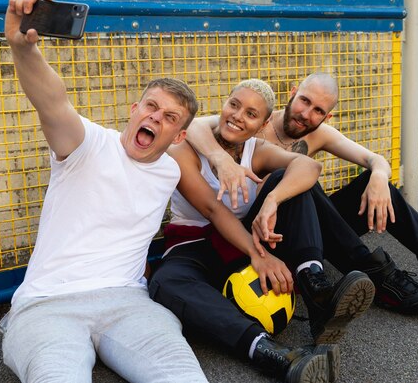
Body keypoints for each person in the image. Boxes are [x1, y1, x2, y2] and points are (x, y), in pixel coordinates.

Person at [0, 0, 208, 383]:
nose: (155, 118)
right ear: (134, 111)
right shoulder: (87, 144)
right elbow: (53, 103)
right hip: (48, 305)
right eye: (150, 106)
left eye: (169, 117)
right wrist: (23, 49)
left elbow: (223, 134)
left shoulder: (170, 171)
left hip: (128, 303)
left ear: (179, 138)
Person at [186, 72, 418, 316]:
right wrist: (218, 158)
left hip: (311, 225)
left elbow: (375, 159)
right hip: (268, 232)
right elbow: (199, 126)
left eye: (318, 110)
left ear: (327, 117)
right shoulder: (254, 119)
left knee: (370, 182)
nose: (306, 114)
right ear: (292, 92)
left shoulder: (321, 133)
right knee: (298, 179)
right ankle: (379, 277)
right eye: (304, 101)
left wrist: (379, 177)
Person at [149, 79, 375, 383]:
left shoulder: (256, 150)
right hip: (194, 242)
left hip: (242, 237)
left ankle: (316, 289)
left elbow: (310, 168)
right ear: (224, 103)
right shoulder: (184, 147)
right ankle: (273, 352)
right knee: (165, 283)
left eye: (251, 114)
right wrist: (260, 255)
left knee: (289, 180)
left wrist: (272, 199)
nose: (238, 116)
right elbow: (213, 210)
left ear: (264, 123)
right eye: (234, 105)